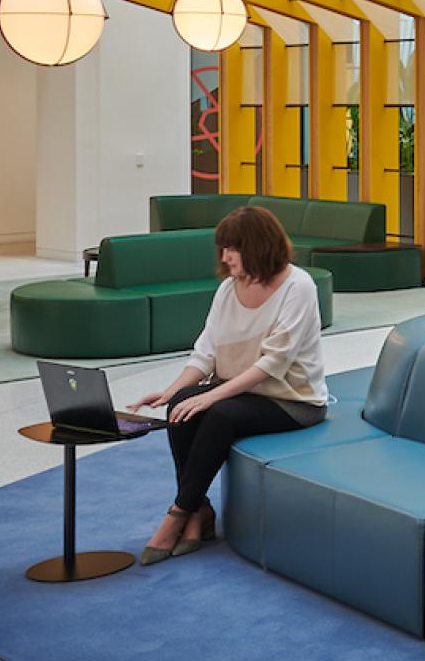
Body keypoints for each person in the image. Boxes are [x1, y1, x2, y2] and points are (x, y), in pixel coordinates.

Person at [127, 205, 326, 563]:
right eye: (223, 248)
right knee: (182, 404)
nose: (225, 257)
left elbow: (273, 363)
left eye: (233, 248)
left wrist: (212, 397)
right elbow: (206, 351)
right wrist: (172, 391)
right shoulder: (228, 289)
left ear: (258, 246)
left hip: (291, 400)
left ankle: (177, 515)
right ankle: (199, 509)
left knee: (218, 414)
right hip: (242, 391)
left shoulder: (298, 286)